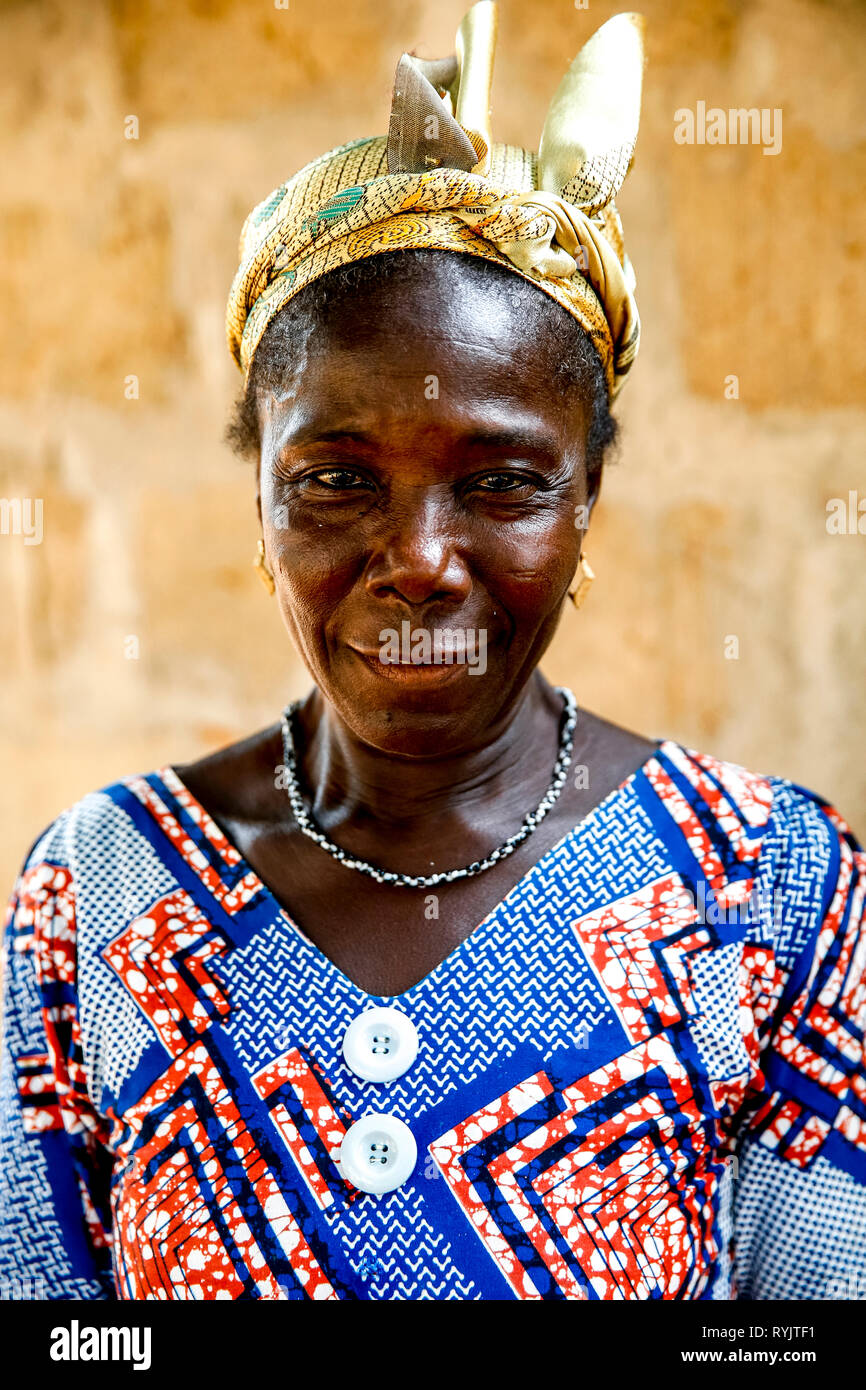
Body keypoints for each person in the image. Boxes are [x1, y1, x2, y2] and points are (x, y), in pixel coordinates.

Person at [1, 4, 864, 1302]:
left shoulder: (768, 896)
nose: (418, 557)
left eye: (502, 481)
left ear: (585, 502)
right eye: (337, 478)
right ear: (258, 502)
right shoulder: (97, 894)